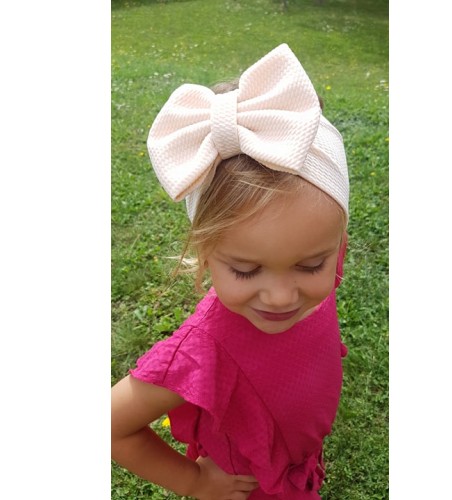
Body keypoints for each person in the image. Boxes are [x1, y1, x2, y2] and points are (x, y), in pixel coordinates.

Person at [111, 43, 350, 499]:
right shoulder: (205, 349)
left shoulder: (321, 245)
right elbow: (111, 425)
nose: (281, 296)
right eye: (244, 270)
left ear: (338, 242)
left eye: (310, 265)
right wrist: (195, 480)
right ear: (205, 254)